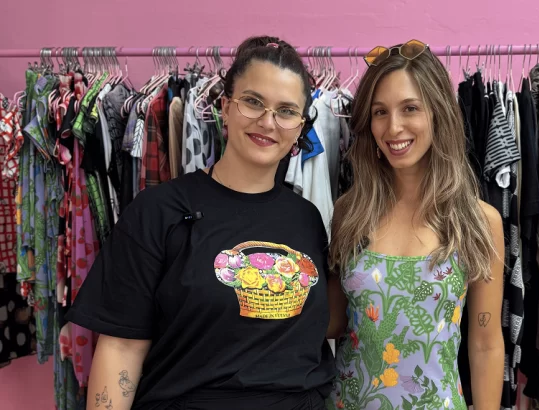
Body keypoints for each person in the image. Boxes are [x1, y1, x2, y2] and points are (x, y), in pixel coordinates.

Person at [67, 35, 337, 410]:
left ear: (300, 127)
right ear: (225, 106)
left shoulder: (307, 218)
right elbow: (121, 348)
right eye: (253, 102)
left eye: (286, 111)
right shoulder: (157, 212)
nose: (267, 122)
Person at [326, 40, 506, 410]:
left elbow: (486, 344)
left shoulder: (478, 221)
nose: (393, 127)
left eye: (410, 108)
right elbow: (333, 322)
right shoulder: (350, 212)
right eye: (380, 112)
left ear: (438, 113)